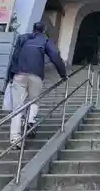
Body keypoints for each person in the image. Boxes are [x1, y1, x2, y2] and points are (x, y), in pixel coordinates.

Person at [6, 21, 67, 149]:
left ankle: (15, 139)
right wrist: (63, 74)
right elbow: (55, 55)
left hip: (19, 74)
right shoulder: (45, 40)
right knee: (34, 100)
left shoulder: (22, 38)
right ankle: (30, 120)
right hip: (36, 75)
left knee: (17, 108)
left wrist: (10, 76)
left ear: (33, 29)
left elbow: (15, 57)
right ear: (44, 30)